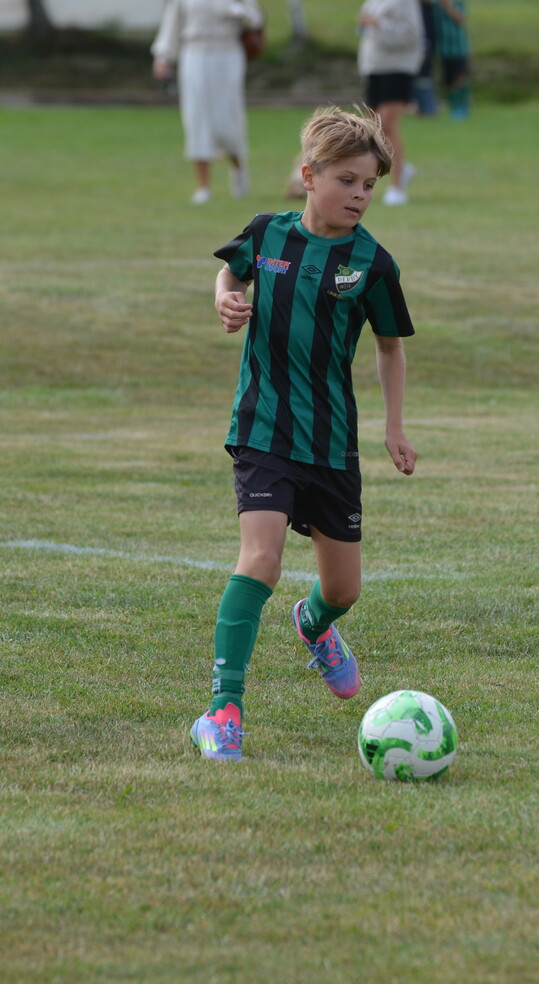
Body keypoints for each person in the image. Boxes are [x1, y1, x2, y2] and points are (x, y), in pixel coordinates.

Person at [190, 106, 418, 761]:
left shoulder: (372, 262)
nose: (360, 195)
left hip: (332, 440)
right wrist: (224, 295)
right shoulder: (268, 234)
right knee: (260, 558)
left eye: (369, 185)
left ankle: (314, 623)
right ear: (309, 176)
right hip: (263, 427)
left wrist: (394, 428)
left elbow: (390, 346)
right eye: (347, 181)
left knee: (343, 590)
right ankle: (222, 711)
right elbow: (231, 270)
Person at [151, 0, 264, 205]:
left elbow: (255, 18)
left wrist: (238, 11)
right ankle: (203, 186)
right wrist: (163, 57)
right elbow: (173, 22)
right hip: (194, 52)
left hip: (227, 52)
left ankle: (238, 168)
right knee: (197, 116)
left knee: (228, 116)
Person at [357, 0, 425, 206]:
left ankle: (397, 186)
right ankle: (401, 168)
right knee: (372, 127)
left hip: (398, 67)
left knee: (387, 125)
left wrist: (378, 24)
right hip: (374, 66)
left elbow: (412, 34)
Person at [434, 0, 471, 120]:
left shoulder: (458, 2)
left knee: (459, 77)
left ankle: (462, 106)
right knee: (448, 79)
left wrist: (447, 6)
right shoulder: (436, 5)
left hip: (458, 47)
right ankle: (453, 105)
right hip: (444, 48)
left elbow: (460, 18)